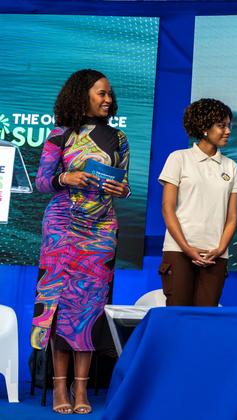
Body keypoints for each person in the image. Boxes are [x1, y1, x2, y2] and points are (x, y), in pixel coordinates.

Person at [32, 69, 130, 415]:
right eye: (101, 93)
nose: (107, 99)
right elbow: (42, 183)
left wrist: (122, 188)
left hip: (101, 230)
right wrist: (66, 176)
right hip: (61, 228)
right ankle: (59, 387)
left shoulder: (118, 139)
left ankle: (81, 389)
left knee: (88, 309)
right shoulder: (59, 135)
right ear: (81, 95)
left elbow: (124, 183)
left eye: (109, 95)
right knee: (59, 306)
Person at [158, 98, 237, 306]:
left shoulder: (231, 167)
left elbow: (232, 217)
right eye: (221, 125)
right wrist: (187, 249)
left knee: (205, 318)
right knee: (177, 315)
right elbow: (167, 209)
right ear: (204, 127)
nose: (228, 131)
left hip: (216, 254)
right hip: (179, 251)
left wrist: (221, 248)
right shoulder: (178, 158)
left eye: (228, 125)